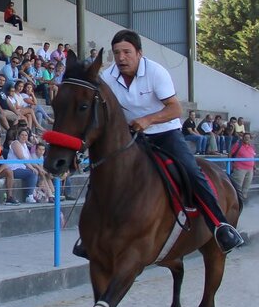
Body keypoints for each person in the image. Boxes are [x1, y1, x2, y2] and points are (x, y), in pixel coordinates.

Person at [98, 30, 242, 252]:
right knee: (106, 173)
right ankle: (95, 233)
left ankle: (220, 225)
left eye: (126, 52)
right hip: (132, 136)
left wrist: (148, 120)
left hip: (166, 133)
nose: (121, 58)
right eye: (116, 52)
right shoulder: (108, 77)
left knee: (191, 171)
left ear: (139, 53)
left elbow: (175, 108)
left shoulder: (156, 72)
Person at [229, 133, 254, 201]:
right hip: (239, 169)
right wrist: (231, 164)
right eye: (245, 137)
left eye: (248, 137)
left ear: (250, 139)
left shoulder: (251, 146)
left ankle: (243, 201)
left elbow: (252, 157)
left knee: (246, 187)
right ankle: (236, 201)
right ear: (242, 138)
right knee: (237, 186)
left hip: (250, 170)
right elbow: (230, 153)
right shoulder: (238, 145)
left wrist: (253, 167)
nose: (247, 139)